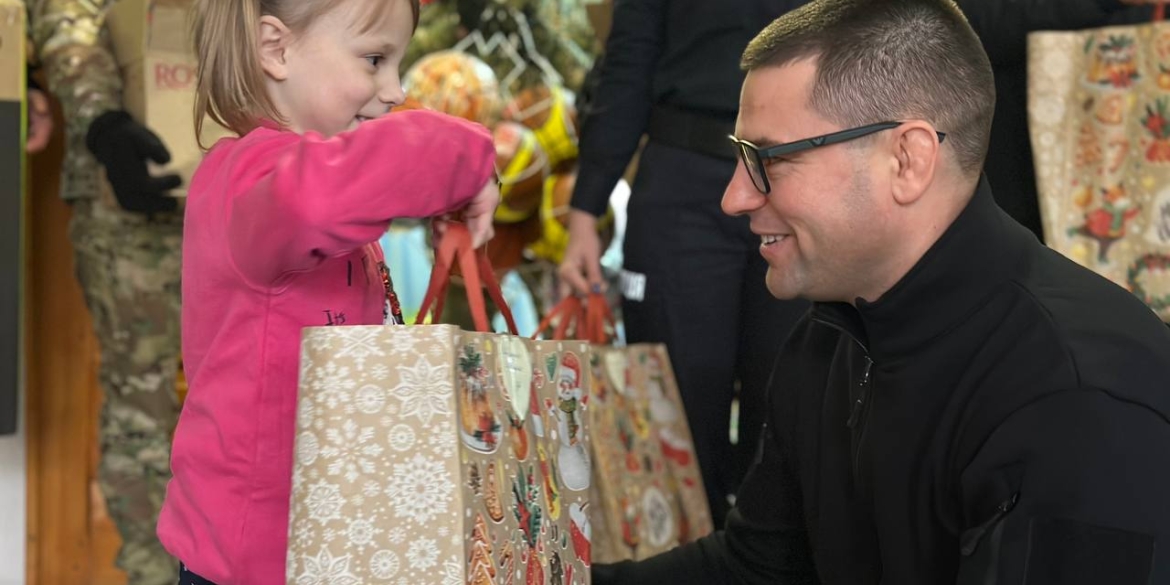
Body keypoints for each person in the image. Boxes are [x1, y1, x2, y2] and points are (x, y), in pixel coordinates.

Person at [593, 0, 1170, 583]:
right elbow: (758, 568)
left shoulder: (1077, 398)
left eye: (769, 158)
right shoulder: (828, 341)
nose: (735, 197)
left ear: (907, 160)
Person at [156, 0, 500, 583]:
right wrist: (473, 155)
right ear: (276, 49)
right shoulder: (256, 177)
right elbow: (316, 197)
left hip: (321, 539)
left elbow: (346, 186)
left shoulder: (285, 176)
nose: (393, 90)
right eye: (373, 59)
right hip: (260, 559)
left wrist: (442, 196)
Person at [558, 0, 813, 527]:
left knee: (792, 401)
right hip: (683, 178)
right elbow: (630, 57)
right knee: (676, 409)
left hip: (805, 173)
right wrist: (585, 209)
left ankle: (775, 555)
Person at [25, 0, 187, 581]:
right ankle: (154, 574)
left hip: (249, 191)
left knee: (252, 398)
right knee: (142, 408)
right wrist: (103, 123)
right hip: (125, 204)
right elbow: (68, 20)